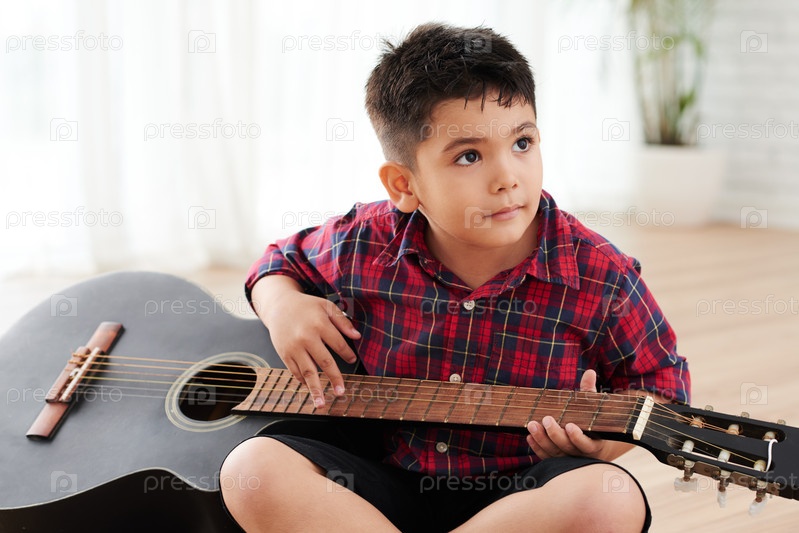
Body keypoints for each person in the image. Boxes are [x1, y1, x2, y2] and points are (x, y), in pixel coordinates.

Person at [220, 22, 690, 533]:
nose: (508, 177)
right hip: (382, 483)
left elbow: (663, 387)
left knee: (608, 497)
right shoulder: (366, 240)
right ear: (404, 184)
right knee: (252, 468)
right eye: (469, 156)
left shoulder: (599, 272)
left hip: (521, 498)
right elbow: (278, 260)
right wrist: (282, 304)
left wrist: (602, 446)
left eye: (523, 143)